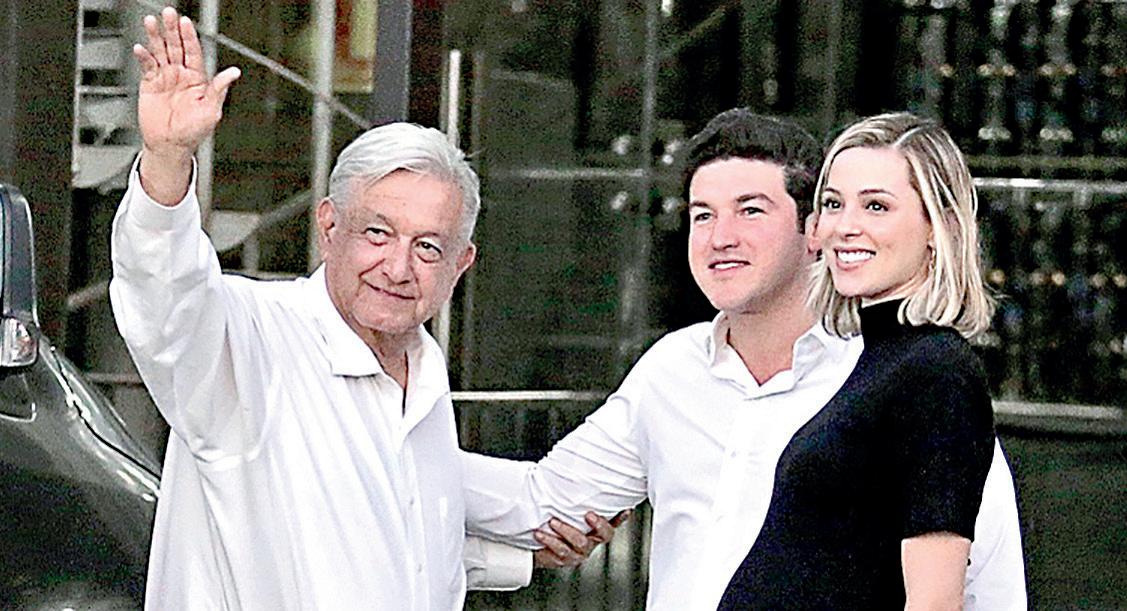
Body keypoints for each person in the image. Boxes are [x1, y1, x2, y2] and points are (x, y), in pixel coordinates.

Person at [110, 7, 609, 609]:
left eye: (428, 247)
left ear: (461, 264)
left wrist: (522, 552)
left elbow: (394, 537)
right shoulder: (248, 340)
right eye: (377, 233)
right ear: (328, 227)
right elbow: (163, 293)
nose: (398, 268)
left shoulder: (420, 370)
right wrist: (167, 160)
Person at [462, 108, 1026, 609]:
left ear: (810, 231)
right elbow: (544, 502)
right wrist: (410, 452)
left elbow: (980, 585)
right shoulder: (671, 371)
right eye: (702, 215)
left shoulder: (905, 377)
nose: (720, 237)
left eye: (750, 211)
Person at [719, 113, 1000, 608]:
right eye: (833, 204)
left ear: (938, 226)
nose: (845, 228)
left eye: (876, 206)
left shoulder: (936, 372)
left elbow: (934, 601)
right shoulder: (878, 363)